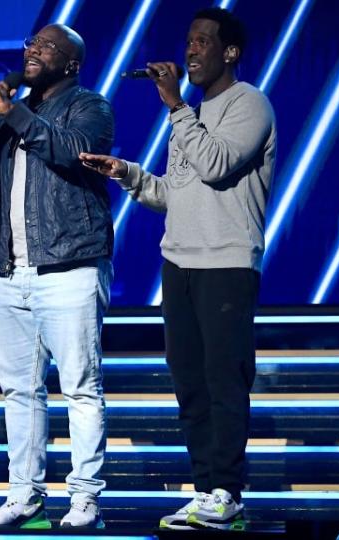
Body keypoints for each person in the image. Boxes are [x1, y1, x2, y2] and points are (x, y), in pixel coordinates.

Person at [80, 8, 275, 531]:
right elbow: (178, 193)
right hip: (180, 264)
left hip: (226, 265)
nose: (190, 51)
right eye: (188, 41)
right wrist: (128, 174)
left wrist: (174, 105)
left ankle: (228, 492)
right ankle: (207, 489)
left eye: (203, 42)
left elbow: (215, 165)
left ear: (229, 52)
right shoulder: (190, 116)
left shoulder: (249, 104)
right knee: (189, 384)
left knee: (223, 382)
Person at [0, 24, 115, 529]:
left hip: (70, 266)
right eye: (30, 44)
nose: (33, 52)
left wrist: (14, 113)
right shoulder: (7, 111)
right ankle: (24, 494)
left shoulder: (91, 105)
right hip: (12, 270)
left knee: (81, 389)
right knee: (19, 392)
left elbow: (72, 151)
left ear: (70, 63)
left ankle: (85, 497)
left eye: (46, 47)